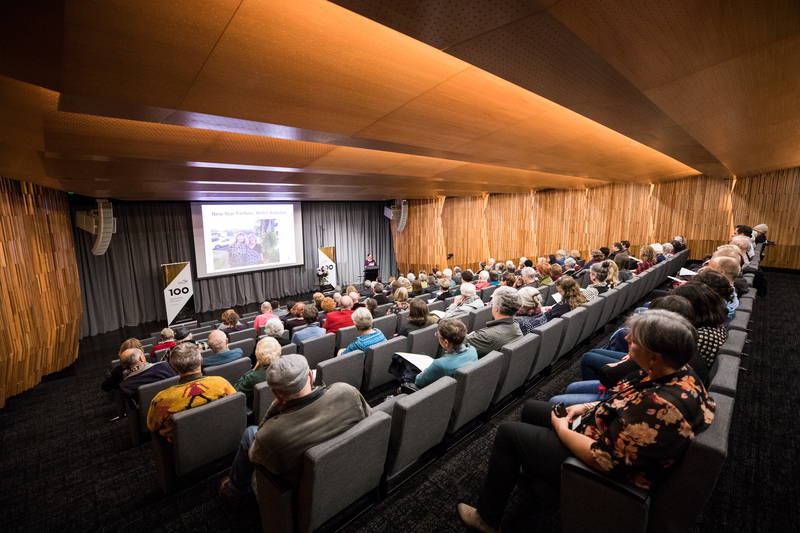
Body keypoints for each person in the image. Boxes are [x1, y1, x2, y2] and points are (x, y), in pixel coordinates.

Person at [458, 310, 715, 532]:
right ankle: (526, 464)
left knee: (507, 433)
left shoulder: (659, 406)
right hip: (602, 429)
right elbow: (623, 400)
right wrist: (585, 406)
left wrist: (561, 429)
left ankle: (487, 519)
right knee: (532, 410)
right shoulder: (678, 370)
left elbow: (603, 459)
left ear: (655, 356)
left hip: (600, 470)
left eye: (634, 340)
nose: (627, 340)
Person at [218, 355, 372, 505]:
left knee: (250, 433)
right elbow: (370, 420)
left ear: (274, 393)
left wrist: (274, 407)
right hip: (351, 468)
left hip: (299, 493)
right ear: (310, 377)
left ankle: (236, 492)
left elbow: (254, 456)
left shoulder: (271, 435)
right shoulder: (346, 391)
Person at [147, 342, 235, 441]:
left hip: (180, 448)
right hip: (222, 437)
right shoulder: (222, 383)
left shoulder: (161, 401)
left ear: (174, 369)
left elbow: (152, 426)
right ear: (201, 361)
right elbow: (235, 406)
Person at [415, 319, 478, 388]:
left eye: (438, 336)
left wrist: (424, 373)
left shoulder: (440, 365)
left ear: (446, 342)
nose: (438, 338)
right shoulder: (472, 350)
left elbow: (418, 381)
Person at [467, 287, 523, 357]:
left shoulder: (485, 336)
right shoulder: (516, 325)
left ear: (496, 308)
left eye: (492, 303)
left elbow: (456, 344)